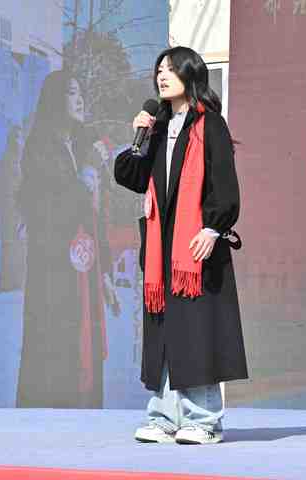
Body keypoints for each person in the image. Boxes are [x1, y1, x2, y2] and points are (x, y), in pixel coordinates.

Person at [114, 46, 249, 445]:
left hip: (196, 249)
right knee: (166, 334)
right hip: (163, 251)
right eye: (159, 69)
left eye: (171, 69)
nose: (162, 75)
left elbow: (225, 185)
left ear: (191, 75)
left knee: (197, 334)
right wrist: (139, 137)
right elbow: (131, 176)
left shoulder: (210, 125)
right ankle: (164, 417)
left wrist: (213, 229)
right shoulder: (157, 128)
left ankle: (204, 421)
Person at [16, 68, 114, 409]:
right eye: (72, 93)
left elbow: (93, 217)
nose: (80, 100)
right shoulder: (39, 149)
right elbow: (50, 213)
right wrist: (87, 172)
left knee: (86, 354)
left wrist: (104, 272)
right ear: (55, 100)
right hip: (53, 275)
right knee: (56, 358)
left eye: (81, 92)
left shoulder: (83, 145)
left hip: (84, 274)